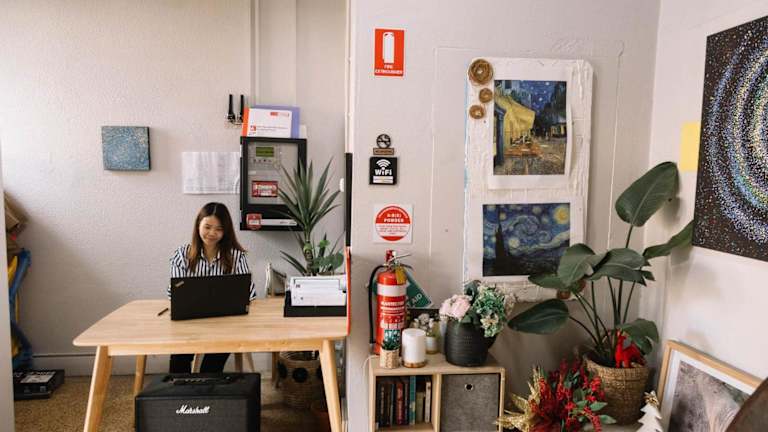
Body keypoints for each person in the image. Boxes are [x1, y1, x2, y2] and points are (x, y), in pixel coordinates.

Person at [167, 202, 255, 373]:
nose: (212, 233)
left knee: (213, 362)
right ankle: (182, 388)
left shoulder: (236, 256)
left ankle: (206, 384)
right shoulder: (182, 255)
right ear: (198, 225)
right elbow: (174, 293)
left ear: (226, 231)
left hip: (225, 323)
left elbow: (249, 292)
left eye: (219, 229)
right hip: (189, 322)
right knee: (179, 358)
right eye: (207, 227)